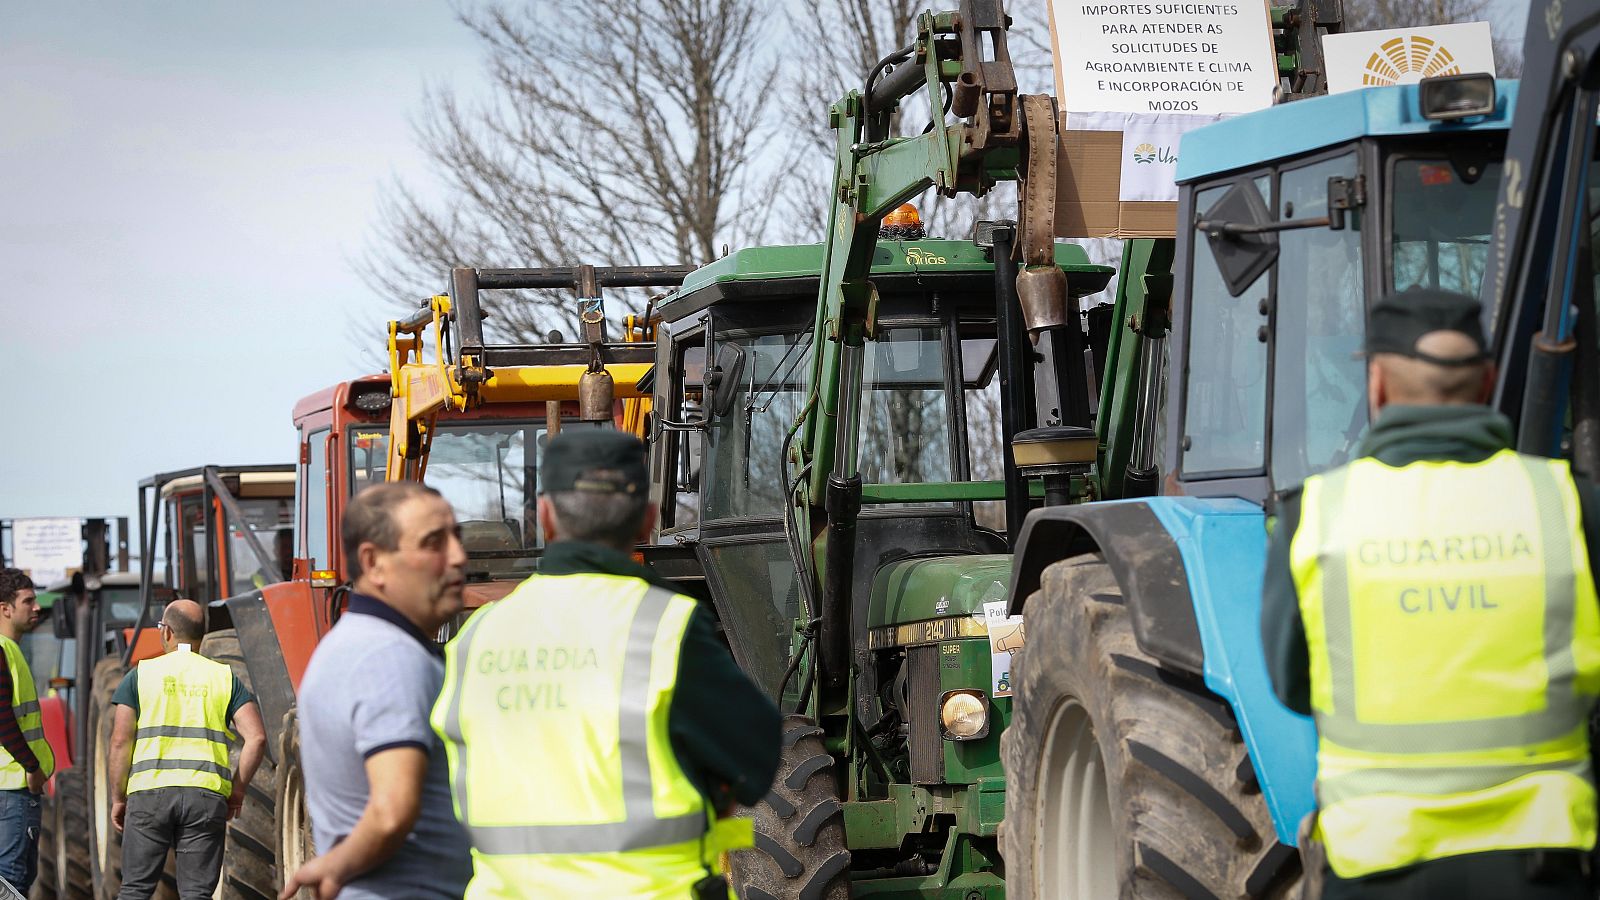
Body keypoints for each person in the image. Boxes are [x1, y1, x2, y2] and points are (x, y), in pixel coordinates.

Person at [1262, 288, 1600, 898]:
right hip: (1544, 866)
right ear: (1488, 380)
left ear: (1379, 386)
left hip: (1379, 866)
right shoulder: (1567, 504)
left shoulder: (1315, 516)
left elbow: (1292, 685)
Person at [431, 430, 780, 898]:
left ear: (547, 517)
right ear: (648, 521)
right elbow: (754, 760)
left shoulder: (477, 638)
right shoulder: (664, 628)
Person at [281, 482, 472, 900]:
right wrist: (336, 867)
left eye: (457, 537)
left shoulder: (355, 643)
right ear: (374, 562)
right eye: (433, 543)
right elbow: (392, 811)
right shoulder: (388, 656)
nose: (458, 557)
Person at [108, 599, 267, 900]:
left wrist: (118, 797)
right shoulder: (223, 677)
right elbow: (256, 737)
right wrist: (238, 790)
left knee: (135, 890)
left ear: (166, 632)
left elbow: (119, 741)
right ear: (202, 636)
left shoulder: (140, 675)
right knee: (196, 894)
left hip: (148, 797)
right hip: (205, 799)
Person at [0, 569, 53, 894]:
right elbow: (3, 717)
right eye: (28, 601)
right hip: (13, 788)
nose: (36, 608)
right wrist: (32, 767)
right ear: (5, 608)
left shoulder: (10, 650)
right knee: (11, 882)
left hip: (11, 788)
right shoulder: (3, 649)